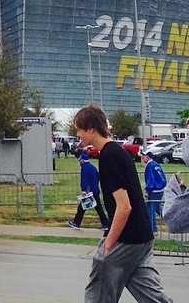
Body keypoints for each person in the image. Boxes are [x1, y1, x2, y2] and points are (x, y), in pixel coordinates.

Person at [73, 103, 173, 303]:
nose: (78, 135)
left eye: (79, 129)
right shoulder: (120, 152)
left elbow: (124, 206)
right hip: (143, 236)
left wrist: (108, 244)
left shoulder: (108, 156)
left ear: (91, 129)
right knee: (152, 296)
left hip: (128, 238)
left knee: (100, 281)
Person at [67, 154, 109, 231]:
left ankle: (77, 223)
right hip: (95, 190)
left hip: (88, 192)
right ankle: (105, 223)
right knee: (98, 207)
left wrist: (84, 190)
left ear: (83, 160)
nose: (79, 161)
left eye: (80, 160)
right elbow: (97, 177)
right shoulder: (92, 167)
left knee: (82, 207)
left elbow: (84, 180)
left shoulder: (84, 168)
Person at [140, 150, 167, 235]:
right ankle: (170, 219)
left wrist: (148, 191)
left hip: (154, 191)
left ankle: (153, 230)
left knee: (150, 210)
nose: (142, 157)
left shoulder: (149, 166)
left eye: (143, 156)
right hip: (160, 190)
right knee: (158, 209)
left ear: (147, 157)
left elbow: (150, 180)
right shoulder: (155, 164)